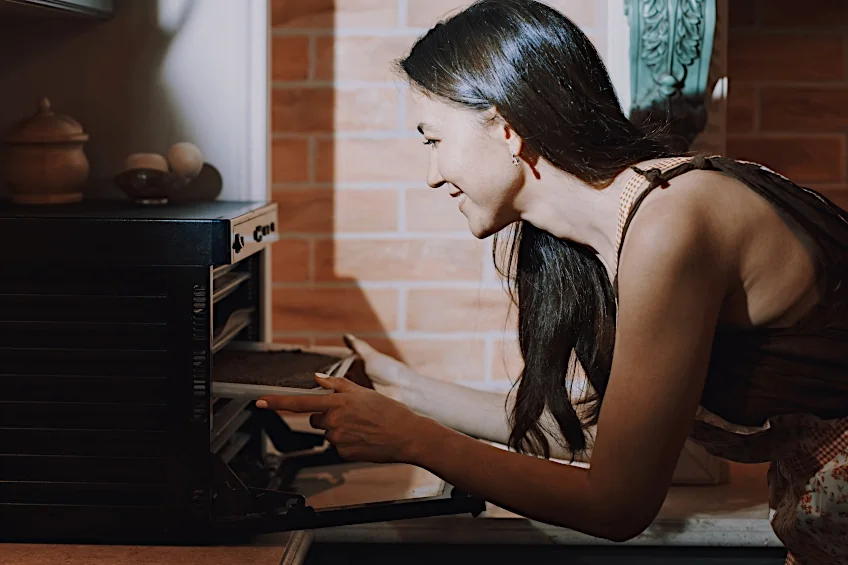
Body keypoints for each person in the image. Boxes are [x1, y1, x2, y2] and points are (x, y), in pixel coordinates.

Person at [255, 1, 848, 562]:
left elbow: (618, 504)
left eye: (434, 140)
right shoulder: (616, 229)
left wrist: (413, 440)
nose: (433, 176)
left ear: (505, 127)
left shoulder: (674, 223)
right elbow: (584, 430)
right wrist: (400, 389)